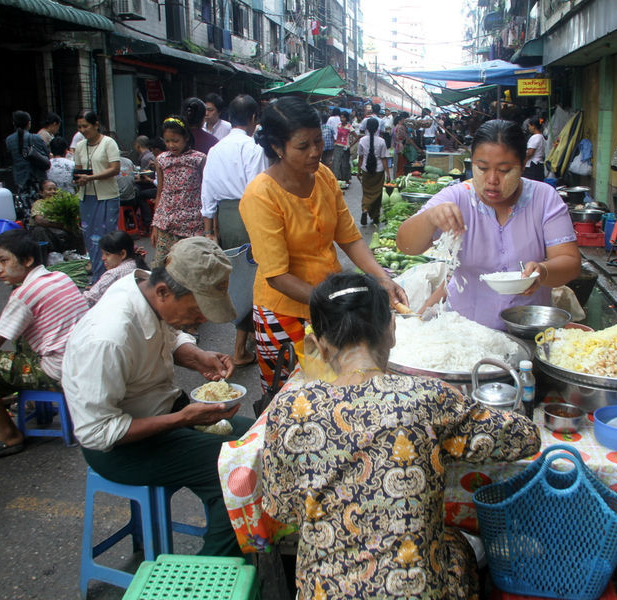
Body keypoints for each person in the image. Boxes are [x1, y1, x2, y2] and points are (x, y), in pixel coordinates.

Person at [261, 272, 540, 599]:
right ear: (392, 330)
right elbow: (525, 438)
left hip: (323, 591)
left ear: (320, 347)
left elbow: (280, 509)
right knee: (459, 546)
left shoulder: (289, 407)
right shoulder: (427, 397)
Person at [62, 237, 254, 557]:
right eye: (197, 310)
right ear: (164, 291)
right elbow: (96, 433)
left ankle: (238, 551)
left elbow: (170, 336)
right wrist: (182, 419)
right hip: (118, 447)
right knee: (238, 473)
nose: (202, 319)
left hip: (165, 411)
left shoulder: (147, 292)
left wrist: (196, 356)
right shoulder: (107, 338)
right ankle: (207, 580)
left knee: (259, 440)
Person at [239, 97, 407, 389]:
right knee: (292, 397)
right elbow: (277, 276)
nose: (316, 152)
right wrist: (333, 303)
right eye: (303, 146)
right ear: (277, 148)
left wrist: (382, 278)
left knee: (337, 390)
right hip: (284, 312)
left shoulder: (324, 177)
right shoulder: (260, 195)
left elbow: (350, 239)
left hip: (328, 307)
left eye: (318, 141)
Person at [396, 119, 580, 330]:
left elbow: (569, 262)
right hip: (464, 330)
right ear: (471, 162)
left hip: (526, 328)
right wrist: (429, 217)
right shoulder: (457, 197)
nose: (492, 179)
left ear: (522, 165)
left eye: (504, 170)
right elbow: (406, 245)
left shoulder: (544, 198)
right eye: (482, 168)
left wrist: (543, 272)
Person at [0, 229, 88, 462]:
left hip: (58, 370)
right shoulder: (60, 277)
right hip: (82, 361)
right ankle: (18, 401)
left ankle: (8, 433)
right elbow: (4, 331)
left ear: (27, 260)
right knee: (19, 339)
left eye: (4, 261)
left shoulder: (24, 294)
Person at [200, 94, 266, 368]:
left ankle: (245, 341)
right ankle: (240, 348)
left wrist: (209, 231)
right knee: (251, 282)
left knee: (237, 279)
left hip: (224, 219)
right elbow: (258, 190)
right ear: (253, 119)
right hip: (247, 217)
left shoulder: (216, 149)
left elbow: (208, 191)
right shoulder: (252, 148)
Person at [150, 116, 207, 267]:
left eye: (175, 140)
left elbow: (206, 191)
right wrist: (155, 225)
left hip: (192, 223)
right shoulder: (161, 160)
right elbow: (160, 192)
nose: (171, 145)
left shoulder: (199, 159)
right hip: (166, 222)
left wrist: (210, 228)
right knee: (161, 267)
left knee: (190, 267)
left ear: (186, 138)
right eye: (167, 141)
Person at [73, 110, 121, 283]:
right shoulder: (80, 146)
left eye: (85, 126)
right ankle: (97, 276)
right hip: (87, 197)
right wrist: (79, 180)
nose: (83, 130)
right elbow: (78, 169)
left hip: (106, 196)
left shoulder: (109, 143)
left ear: (96, 125)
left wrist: (92, 177)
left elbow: (115, 168)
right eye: (79, 127)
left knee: (106, 237)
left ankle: (109, 277)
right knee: (90, 239)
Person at [83, 230, 147, 306]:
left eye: (107, 254)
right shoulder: (135, 263)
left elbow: (89, 299)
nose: (103, 258)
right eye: (103, 254)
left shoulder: (114, 274)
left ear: (123, 254)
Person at [28, 179, 84, 253]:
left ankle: (78, 255)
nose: (53, 192)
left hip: (61, 233)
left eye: (55, 189)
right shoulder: (39, 203)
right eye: (49, 189)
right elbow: (40, 220)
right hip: (48, 234)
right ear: (41, 193)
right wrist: (62, 226)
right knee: (39, 230)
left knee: (77, 231)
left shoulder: (61, 203)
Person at [5, 110, 50, 197]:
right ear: (28, 123)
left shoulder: (9, 140)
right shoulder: (35, 138)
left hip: (19, 179)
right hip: (36, 178)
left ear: (14, 123)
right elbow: (46, 154)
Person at [356, 117, 390, 226]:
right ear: (377, 128)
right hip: (379, 171)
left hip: (366, 169)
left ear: (366, 128)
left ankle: (365, 209)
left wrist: (358, 171)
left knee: (366, 193)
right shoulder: (381, 141)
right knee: (377, 193)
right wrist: (388, 173)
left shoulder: (362, 140)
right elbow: (384, 158)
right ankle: (375, 216)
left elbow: (360, 158)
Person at [331, 111, 356, 187]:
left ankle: (346, 179)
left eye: (343, 117)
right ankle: (337, 179)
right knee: (336, 162)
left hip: (345, 147)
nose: (342, 119)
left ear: (346, 118)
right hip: (338, 146)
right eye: (341, 117)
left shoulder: (349, 127)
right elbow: (335, 135)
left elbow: (356, 137)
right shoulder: (338, 126)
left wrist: (351, 145)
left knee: (345, 164)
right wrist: (334, 142)